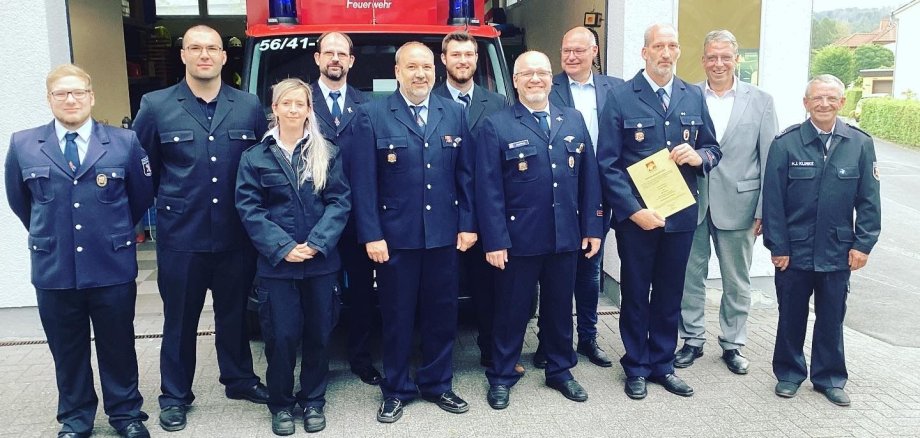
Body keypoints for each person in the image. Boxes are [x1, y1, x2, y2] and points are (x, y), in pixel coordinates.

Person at [132, 25, 269, 432]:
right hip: (182, 237)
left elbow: (264, 166)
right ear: (183, 54)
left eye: (212, 48)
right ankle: (175, 395)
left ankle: (239, 379)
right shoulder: (156, 105)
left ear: (225, 57)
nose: (204, 54)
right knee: (180, 320)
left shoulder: (248, 106)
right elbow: (141, 172)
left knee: (234, 315)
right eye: (195, 47)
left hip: (235, 235)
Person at [4, 64, 153, 438]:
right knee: (67, 351)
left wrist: (110, 232)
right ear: (49, 99)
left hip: (111, 265)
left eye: (78, 92)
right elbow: (21, 202)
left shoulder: (124, 142)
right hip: (54, 267)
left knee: (118, 346)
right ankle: (75, 419)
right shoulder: (23, 144)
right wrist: (53, 234)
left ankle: (126, 415)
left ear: (91, 97)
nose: (70, 99)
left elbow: (139, 198)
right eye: (61, 93)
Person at [345, 42, 475, 423]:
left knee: (442, 313)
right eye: (412, 67)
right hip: (394, 238)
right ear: (397, 71)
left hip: (443, 236)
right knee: (398, 316)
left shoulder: (453, 112)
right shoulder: (372, 115)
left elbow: (464, 175)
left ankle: (437, 383)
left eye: (427, 67)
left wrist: (468, 224)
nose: (421, 74)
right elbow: (363, 183)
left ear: (435, 71)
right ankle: (397, 388)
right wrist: (371, 234)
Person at [596, 23, 721, 400]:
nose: (666, 53)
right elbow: (608, 163)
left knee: (670, 294)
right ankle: (635, 365)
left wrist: (699, 156)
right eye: (659, 46)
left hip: (680, 217)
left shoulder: (692, 96)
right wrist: (633, 212)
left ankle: (662, 365)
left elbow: (714, 148)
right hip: (639, 221)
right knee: (635, 294)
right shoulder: (620, 97)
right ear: (645, 52)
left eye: (672, 46)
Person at [476, 50, 604, 410]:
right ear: (515, 81)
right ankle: (502, 375)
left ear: (552, 78)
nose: (535, 79)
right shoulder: (497, 124)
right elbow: (488, 190)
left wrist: (592, 225)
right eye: (527, 73)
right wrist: (495, 239)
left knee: (560, 308)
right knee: (511, 310)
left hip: (565, 235)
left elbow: (589, 178)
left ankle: (561, 370)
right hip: (518, 239)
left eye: (542, 73)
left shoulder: (573, 119)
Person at [236, 78, 350, 435]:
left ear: (308, 109)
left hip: (320, 263)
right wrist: (284, 248)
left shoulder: (327, 152)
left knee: (319, 334)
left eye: (300, 104)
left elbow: (339, 201)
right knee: (281, 338)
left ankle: (313, 400)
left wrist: (316, 243)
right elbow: (249, 208)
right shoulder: (254, 157)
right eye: (286, 103)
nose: (293, 109)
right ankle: (282, 404)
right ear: (275, 109)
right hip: (277, 267)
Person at [762, 74, 881, 407]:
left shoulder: (859, 143)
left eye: (831, 98)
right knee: (791, 315)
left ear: (841, 103)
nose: (824, 104)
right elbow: (772, 201)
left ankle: (829, 377)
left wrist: (863, 244)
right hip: (795, 250)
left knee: (831, 316)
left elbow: (869, 200)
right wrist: (778, 247)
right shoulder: (785, 143)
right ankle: (788, 373)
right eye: (817, 98)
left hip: (838, 249)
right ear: (806, 103)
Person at [675, 29, 779, 374]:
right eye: (711, 57)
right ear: (703, 60)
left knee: (737, 279)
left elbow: (769, 159)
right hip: (693, 201)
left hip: (741, 204)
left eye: (725, 57)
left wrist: (764, 209)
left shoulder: (761, 100)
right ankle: (692, 339)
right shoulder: (687, 96)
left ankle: (733, 343)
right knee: (690, 275)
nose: (718, 63)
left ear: (737, 59)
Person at [536, 25, 625, 369]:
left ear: (594, 52)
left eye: (578, 50)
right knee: (552, 272)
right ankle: (549, 341)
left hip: (603, 192)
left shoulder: (615, 89)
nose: (571, 57)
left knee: (590, 271)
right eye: (565, 51)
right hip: (558, 194)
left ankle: (588, 337)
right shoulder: (546, 86)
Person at [431, 30, 510, 372]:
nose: (463, 61)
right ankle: (438, 360)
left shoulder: (498, 104)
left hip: (485, 213)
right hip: (440, 216)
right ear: (444, 59)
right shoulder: (427, 99)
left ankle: (492, 353)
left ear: (477, 60)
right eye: (456, 55)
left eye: (469, 55)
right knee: (439, 294)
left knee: (489, 290)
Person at [309, 31, 381, 386]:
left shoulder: (366, 106)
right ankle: (317, 363)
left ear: (352, 61)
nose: (335, 58)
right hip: (312, 220)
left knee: (362, 293)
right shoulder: (299, 102)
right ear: (318, 58)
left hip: (356, 218)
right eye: (329, 52)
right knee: (318, 295)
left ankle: (361, 357)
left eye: (342, 53)